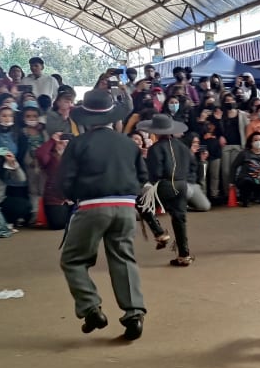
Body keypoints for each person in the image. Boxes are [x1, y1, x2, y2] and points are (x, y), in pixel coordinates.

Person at [58, 89, 147, 340]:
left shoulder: (78, 144)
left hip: (91, 207)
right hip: (126, 207)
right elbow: (143, 176)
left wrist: (75, 195)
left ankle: (91, 308)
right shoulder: (128, 143)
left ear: (86, 118)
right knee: (123, 258)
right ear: (112, 117)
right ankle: (134, 313)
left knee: (73, 260)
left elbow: (64, 181)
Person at [137, 114, 193, 267]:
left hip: (165, 184)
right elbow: (192, 164)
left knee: (142, 203)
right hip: (182, 184)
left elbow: (155, 172)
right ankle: (184, 255)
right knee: (179, 219)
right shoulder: (183, 146)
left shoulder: (155, 148)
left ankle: (159, 233)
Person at [231, 132, 260, 207]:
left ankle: (257, 197)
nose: (258, 142)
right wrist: (232, 182)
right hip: (246, 179)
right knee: (247, 182)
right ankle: (245, 199)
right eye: (255, 140)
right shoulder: (244, 153)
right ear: (251, 142)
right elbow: (234, 166)